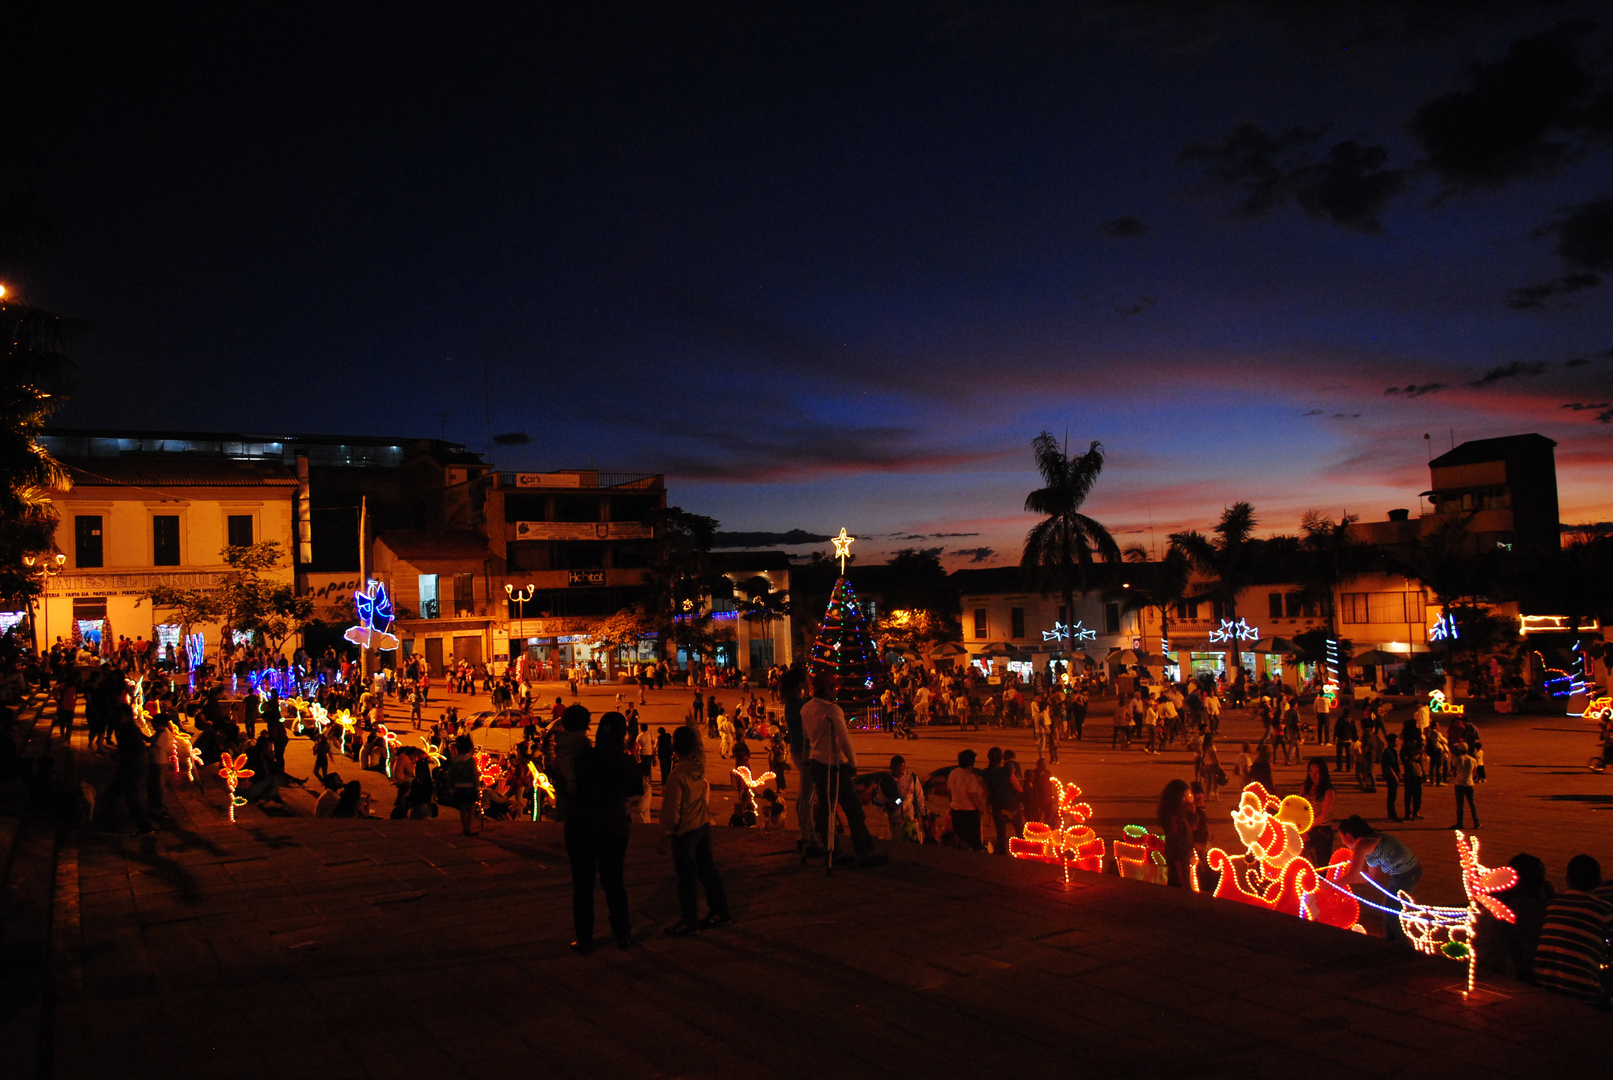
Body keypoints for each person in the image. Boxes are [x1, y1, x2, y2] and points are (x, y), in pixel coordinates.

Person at [565, 711, 644, 953]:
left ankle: (584, 936)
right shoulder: (627, 762)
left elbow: (571, 786)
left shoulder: (585, 757)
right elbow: (636, 794)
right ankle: (623, 934)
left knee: (583, 884)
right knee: (614, 882)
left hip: (582, 826)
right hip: (613, 826)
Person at [800, 669, 886, 868]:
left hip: (815, 761)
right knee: (852, 808)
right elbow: (844, 739)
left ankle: (833, 848)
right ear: (827, 689)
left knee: (826, 807)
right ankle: (863, 851)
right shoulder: (832, 709)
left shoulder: (806, 708)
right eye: (834, 688)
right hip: (831, 764)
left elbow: (806, 735)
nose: (836, 692)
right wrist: (853, 762)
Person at [660, 725, 730, 937]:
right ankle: (720, 909)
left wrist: (665, 835)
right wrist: (695, 732)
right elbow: (698, 749)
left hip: (685, 833)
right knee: (708, 870)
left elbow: (672, 812)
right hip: (703, 826)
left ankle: (690, 920)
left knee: (687, 877)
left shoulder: (677, 776)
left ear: (674, 748)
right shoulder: (699, 765)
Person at [1533, 855, 1613, 1007]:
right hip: (1582, 991)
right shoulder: (1605, 910)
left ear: (1568, 879)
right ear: (1598, 881)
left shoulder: (1552, 905)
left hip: (1542, 983)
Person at [1337, 816, 1422, 947]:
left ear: (1348, 835)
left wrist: (1328, 884)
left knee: (1391, 908)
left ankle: (1403, 946)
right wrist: (1350, 877)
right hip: (1407, 871)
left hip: (1406, 873)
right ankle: (1389, 940)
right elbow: (1372, 876)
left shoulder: (1363, 844)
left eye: (1342, 837)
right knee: (1388, 906)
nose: (1343, 842)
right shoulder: (1372, 841)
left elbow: (1352, 876)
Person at [983, 746, 1023, 856]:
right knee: (1019, 831)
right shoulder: (1006, 771)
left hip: (997, 806)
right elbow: (1019, 788)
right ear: (1001, 759)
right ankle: (1024, 852)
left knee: (1001, 834)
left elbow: (985, 791)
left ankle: (1002, 855)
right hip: (1011, 805)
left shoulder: (986, 773)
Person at [946, 749, 988, 851]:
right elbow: (972, 794)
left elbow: (949, 791)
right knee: (973, 840)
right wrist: (980, 808)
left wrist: (952, 803)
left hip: (955, 809)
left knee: (960, 838)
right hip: (969, 811)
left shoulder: (953, 773)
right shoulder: (971, 776)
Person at [1157, 778, 1195, 888]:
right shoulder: (1174, 816)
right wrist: (1188, 848)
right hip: (1179, 858)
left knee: (1177, 884)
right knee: (1182, 886)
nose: (1187, 799)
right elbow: (1177, 837)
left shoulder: (1179, 813)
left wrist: (1192, 814)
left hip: (1182, 857)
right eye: (1185, 796)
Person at [1300, 758, 1336, 869]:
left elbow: (1323, 815)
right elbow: (1299, 809)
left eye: (1317, 772)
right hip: (1306, 832)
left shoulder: (1328, 791)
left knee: (1321, 867)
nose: (1313, 775)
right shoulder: (1305, 788)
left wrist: (1306, 828)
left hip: (1322, 832)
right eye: (1311, 771)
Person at [447, 734, 482, 835]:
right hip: (470, 788)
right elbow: (474, 775)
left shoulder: (454, 761)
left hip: (458, 788)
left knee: (462, 809)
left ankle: (464, 827)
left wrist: (451, 788)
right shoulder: (470, 761)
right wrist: (478, 787)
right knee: (470, 809)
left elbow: (451, 776)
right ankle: (468, 828)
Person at [1450, 740, 1480, 829]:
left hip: (1459, 783)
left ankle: (1460, 823)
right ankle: (1476, 822)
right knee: (1472, 803)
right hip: (1469, 783)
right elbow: (1474, 773)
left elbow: (1453, 772)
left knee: (1460, 804)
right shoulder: (1473, 760)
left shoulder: (1457, 759)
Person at [1380, 732, 1402, 821]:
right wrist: (1395, 776)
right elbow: (1388, 766)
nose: (1397, 743)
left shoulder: (1393, 751)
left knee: (1393, 795)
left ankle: (1392, 813)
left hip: (1394, 775)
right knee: (1391, 796)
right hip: (1391, 776)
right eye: (1396, 741)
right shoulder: (1388, 752)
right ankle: (1392, 813)